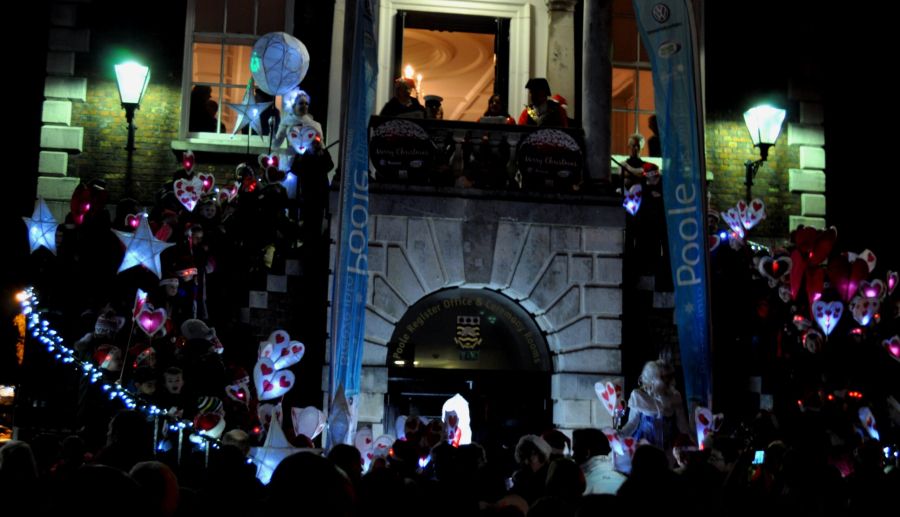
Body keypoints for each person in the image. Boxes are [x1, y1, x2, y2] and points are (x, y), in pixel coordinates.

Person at [619, 360, 691, 467]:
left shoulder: (674, 396)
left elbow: (682, 425)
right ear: (653, 378)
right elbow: (632, 424)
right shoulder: (639, 396)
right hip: (643, 451)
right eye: (663, 377)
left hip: (667, 452)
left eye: (669, 376)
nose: (667, 380)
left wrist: (694, 439)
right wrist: (619, 435)